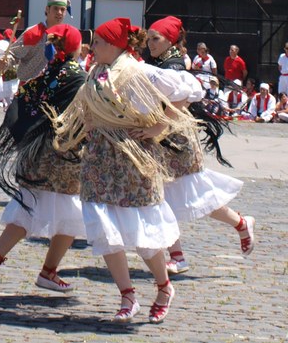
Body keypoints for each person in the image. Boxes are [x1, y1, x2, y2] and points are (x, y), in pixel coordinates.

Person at [52, 18, 198, 324]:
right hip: (101, 159)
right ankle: (127, 295)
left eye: (100, 42)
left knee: (141, 231)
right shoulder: (97, 72)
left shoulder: (136, 71)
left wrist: (160, 123)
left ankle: (163, 287)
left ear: (115, 45)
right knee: (104, 229)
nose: (94, 47)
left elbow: (187, 90)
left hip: (131, 158)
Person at [0, 24, 86, 296]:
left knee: (27, 208)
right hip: (62, 158)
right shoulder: (78, 76)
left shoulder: (44, 73)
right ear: (75, 47)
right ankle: (48, 272)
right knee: (72, 215)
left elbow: (23, 107)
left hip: (33, 154)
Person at [145, 16, 255, 276]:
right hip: (164, 136)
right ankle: (181, 254)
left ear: (170, 40)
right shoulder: (161, 62)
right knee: (165, 195)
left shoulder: (172, 65)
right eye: (148, 38)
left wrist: (158, 126)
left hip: (174, 138)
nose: (150, 43)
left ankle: (237, 225)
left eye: (155, 38)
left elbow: (181, 100)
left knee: (184, 193)